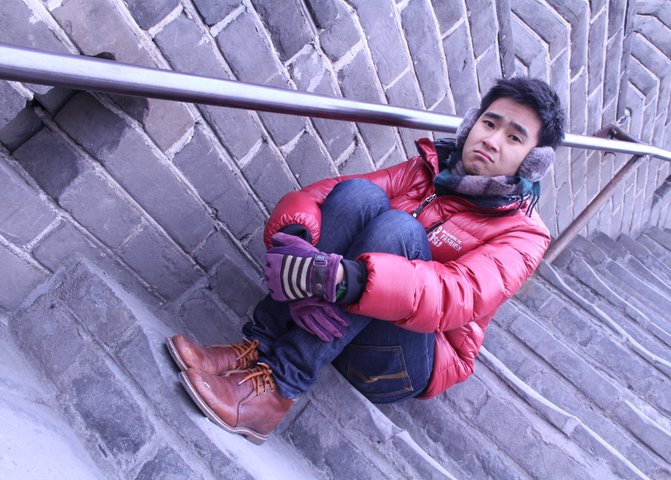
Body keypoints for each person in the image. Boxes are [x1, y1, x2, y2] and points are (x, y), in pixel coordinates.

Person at [167, 77, 566, 445]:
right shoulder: (427, 169)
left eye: (514, 137)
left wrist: (347, 279)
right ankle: (258, 345)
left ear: (533, 162)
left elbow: (454, 296)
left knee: (399, 229)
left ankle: (279, 387)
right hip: (345, 319)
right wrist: (297, 244)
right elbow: (327, 196)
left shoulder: (524, 235)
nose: (492, 140)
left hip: (397, 361)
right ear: (471, 123)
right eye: (489, 123)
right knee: (360, 195)